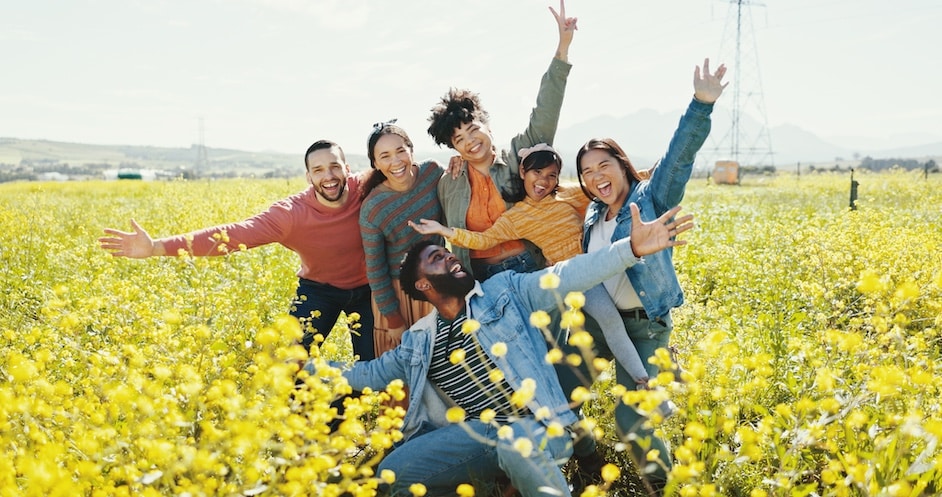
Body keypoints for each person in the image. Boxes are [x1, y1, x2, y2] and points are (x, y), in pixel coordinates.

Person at [304, 203, 694, 497]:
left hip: (539, 426)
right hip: (478, 434)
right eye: (437, 259)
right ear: (423, 286)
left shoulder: (506, 291)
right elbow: (368, 374)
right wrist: (301, 368)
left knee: (514, 439)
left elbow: (566, 275)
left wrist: (631, 249)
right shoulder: (420, 340)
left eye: (448, 253)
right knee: (390, 475)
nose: (450, 257)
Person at [572, 58, 728, 493]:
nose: (595, 177)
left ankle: (662, 485)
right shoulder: (592, 213)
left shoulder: (650, 197)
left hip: (644, 327)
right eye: (586, 172)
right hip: (597, 324)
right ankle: (587, 460)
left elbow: (678, 159)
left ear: (622, 164)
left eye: (603, 165)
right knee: (557, 397)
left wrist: (701, 105)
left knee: (631, 420)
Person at [98, 140, 375, 361]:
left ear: (347, 168)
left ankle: (351, 410)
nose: (329, 176)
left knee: (374, 366)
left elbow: (398, 169)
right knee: (291, 364)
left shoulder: (367, 188)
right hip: (318, 290)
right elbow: (232, 235)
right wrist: (156, 247)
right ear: (308, 176)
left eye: (335, 167)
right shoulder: (291, 214)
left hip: (369, 290)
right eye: (318, 170)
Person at [408, 143, 650, 386]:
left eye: (551, 175)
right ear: (523, 172)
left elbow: (604, 188)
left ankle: (648, 372)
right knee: (605, 322)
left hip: (600, 263)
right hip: (573, 276)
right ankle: (642, 380)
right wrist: (444, 231)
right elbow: (483, 240)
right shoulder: (517, 217)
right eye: (537, 172)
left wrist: (653, 172)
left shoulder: (567, 194)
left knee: (613, 320)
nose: (544, 181)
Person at [427, 0, 577, 281]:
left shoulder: (520, 155)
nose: (470, 141)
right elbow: (443, 232)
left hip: (530, 265)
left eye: (473, 129)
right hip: (480, 276)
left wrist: (563, 48)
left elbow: (546, 110)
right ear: (453, 147)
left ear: (488, 126)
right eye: (459, 139)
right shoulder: (449, 183)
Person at [359, 120, 444, 358]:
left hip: (440, 284)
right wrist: (393, 319)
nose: (396, 161)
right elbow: (376, 270)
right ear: (375, 163)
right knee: (404, 368)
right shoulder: (373, 208)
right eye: (385, 156)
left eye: (400, 151)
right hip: (398, 297)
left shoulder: (433, 173)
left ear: (411, 150)